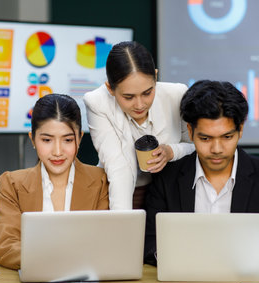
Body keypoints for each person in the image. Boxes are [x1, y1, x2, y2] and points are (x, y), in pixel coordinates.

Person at [144, 80, 259, 269]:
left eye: (227, 137)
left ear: (241, 130)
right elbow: (149, 244)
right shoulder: (166, 179)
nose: (217, 149)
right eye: (205, 138)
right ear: (190, 131)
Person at [0, 94, 109, 270]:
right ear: (32, 139)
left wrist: (47, 256)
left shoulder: (102, 181)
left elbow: (106, 246)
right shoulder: (11, 184)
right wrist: (62, 259)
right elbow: (7, 248)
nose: (57, 151)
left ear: (79, 138)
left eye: (68, 140)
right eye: (47, 140)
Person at [83, 41, 195, 210]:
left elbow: (196, 147)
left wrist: (171, 151)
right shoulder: (97, 102)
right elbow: (118, 166)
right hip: (116, 193)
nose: (140, 104)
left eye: (147, 93)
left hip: (168, 192)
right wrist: (124, 222)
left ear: (156, 77)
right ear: (110, 89)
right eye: (128, 97)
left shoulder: (176, 95)